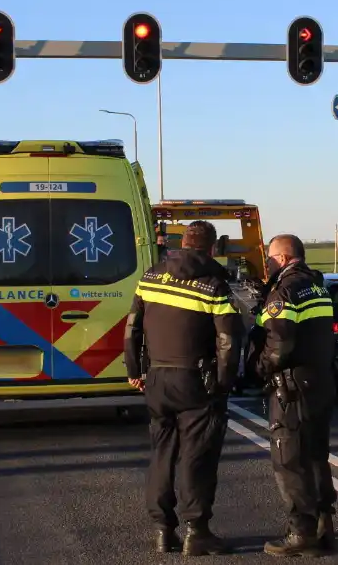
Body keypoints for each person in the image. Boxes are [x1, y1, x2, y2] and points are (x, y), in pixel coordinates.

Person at [123, 220, 244, 556]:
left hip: (157, 379)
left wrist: (134, 370)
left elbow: (132, 327)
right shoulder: (213, 285)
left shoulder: (150, 276)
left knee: (162, 454)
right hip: (195, 381)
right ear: (212, 248)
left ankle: (163, 530)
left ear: (183, 243)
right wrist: (223, 383)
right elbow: (228, 339)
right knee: (196, 457)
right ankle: (197, 531)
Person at [249, 234, 337, 556]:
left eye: (270, 257)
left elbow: (279, 344)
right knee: (316, 456)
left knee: (289, 460)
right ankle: (324, 527)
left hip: (292, 388)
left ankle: (301, 533)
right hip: (320, 383)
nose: (268, 263)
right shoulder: (317, 286)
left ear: (283, 258)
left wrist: (257, 368)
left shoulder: (284, 291)